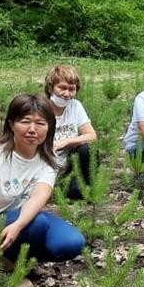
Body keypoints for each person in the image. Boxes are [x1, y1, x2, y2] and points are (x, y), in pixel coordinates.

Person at [0, 94, 86, 287]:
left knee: (71, 242)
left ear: (49, 128)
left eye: (40, 123)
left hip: (23, 220)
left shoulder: (48, 157)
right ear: (11, 124)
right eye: (25, 121)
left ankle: (20, 260)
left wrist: (18, 225)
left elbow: (40, 195)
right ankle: (2, 266)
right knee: (37, 224)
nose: (32, 129)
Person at [45, 65, 97, 200]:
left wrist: (65, 142)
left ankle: (80, 186)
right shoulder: (41, 108)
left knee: (88, 149)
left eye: (71, 89)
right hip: (45, 162)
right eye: (62, 88)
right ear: (51, 87)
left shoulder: (75, 106)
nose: (67, 94)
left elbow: (91, 135)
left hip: (68, 164)